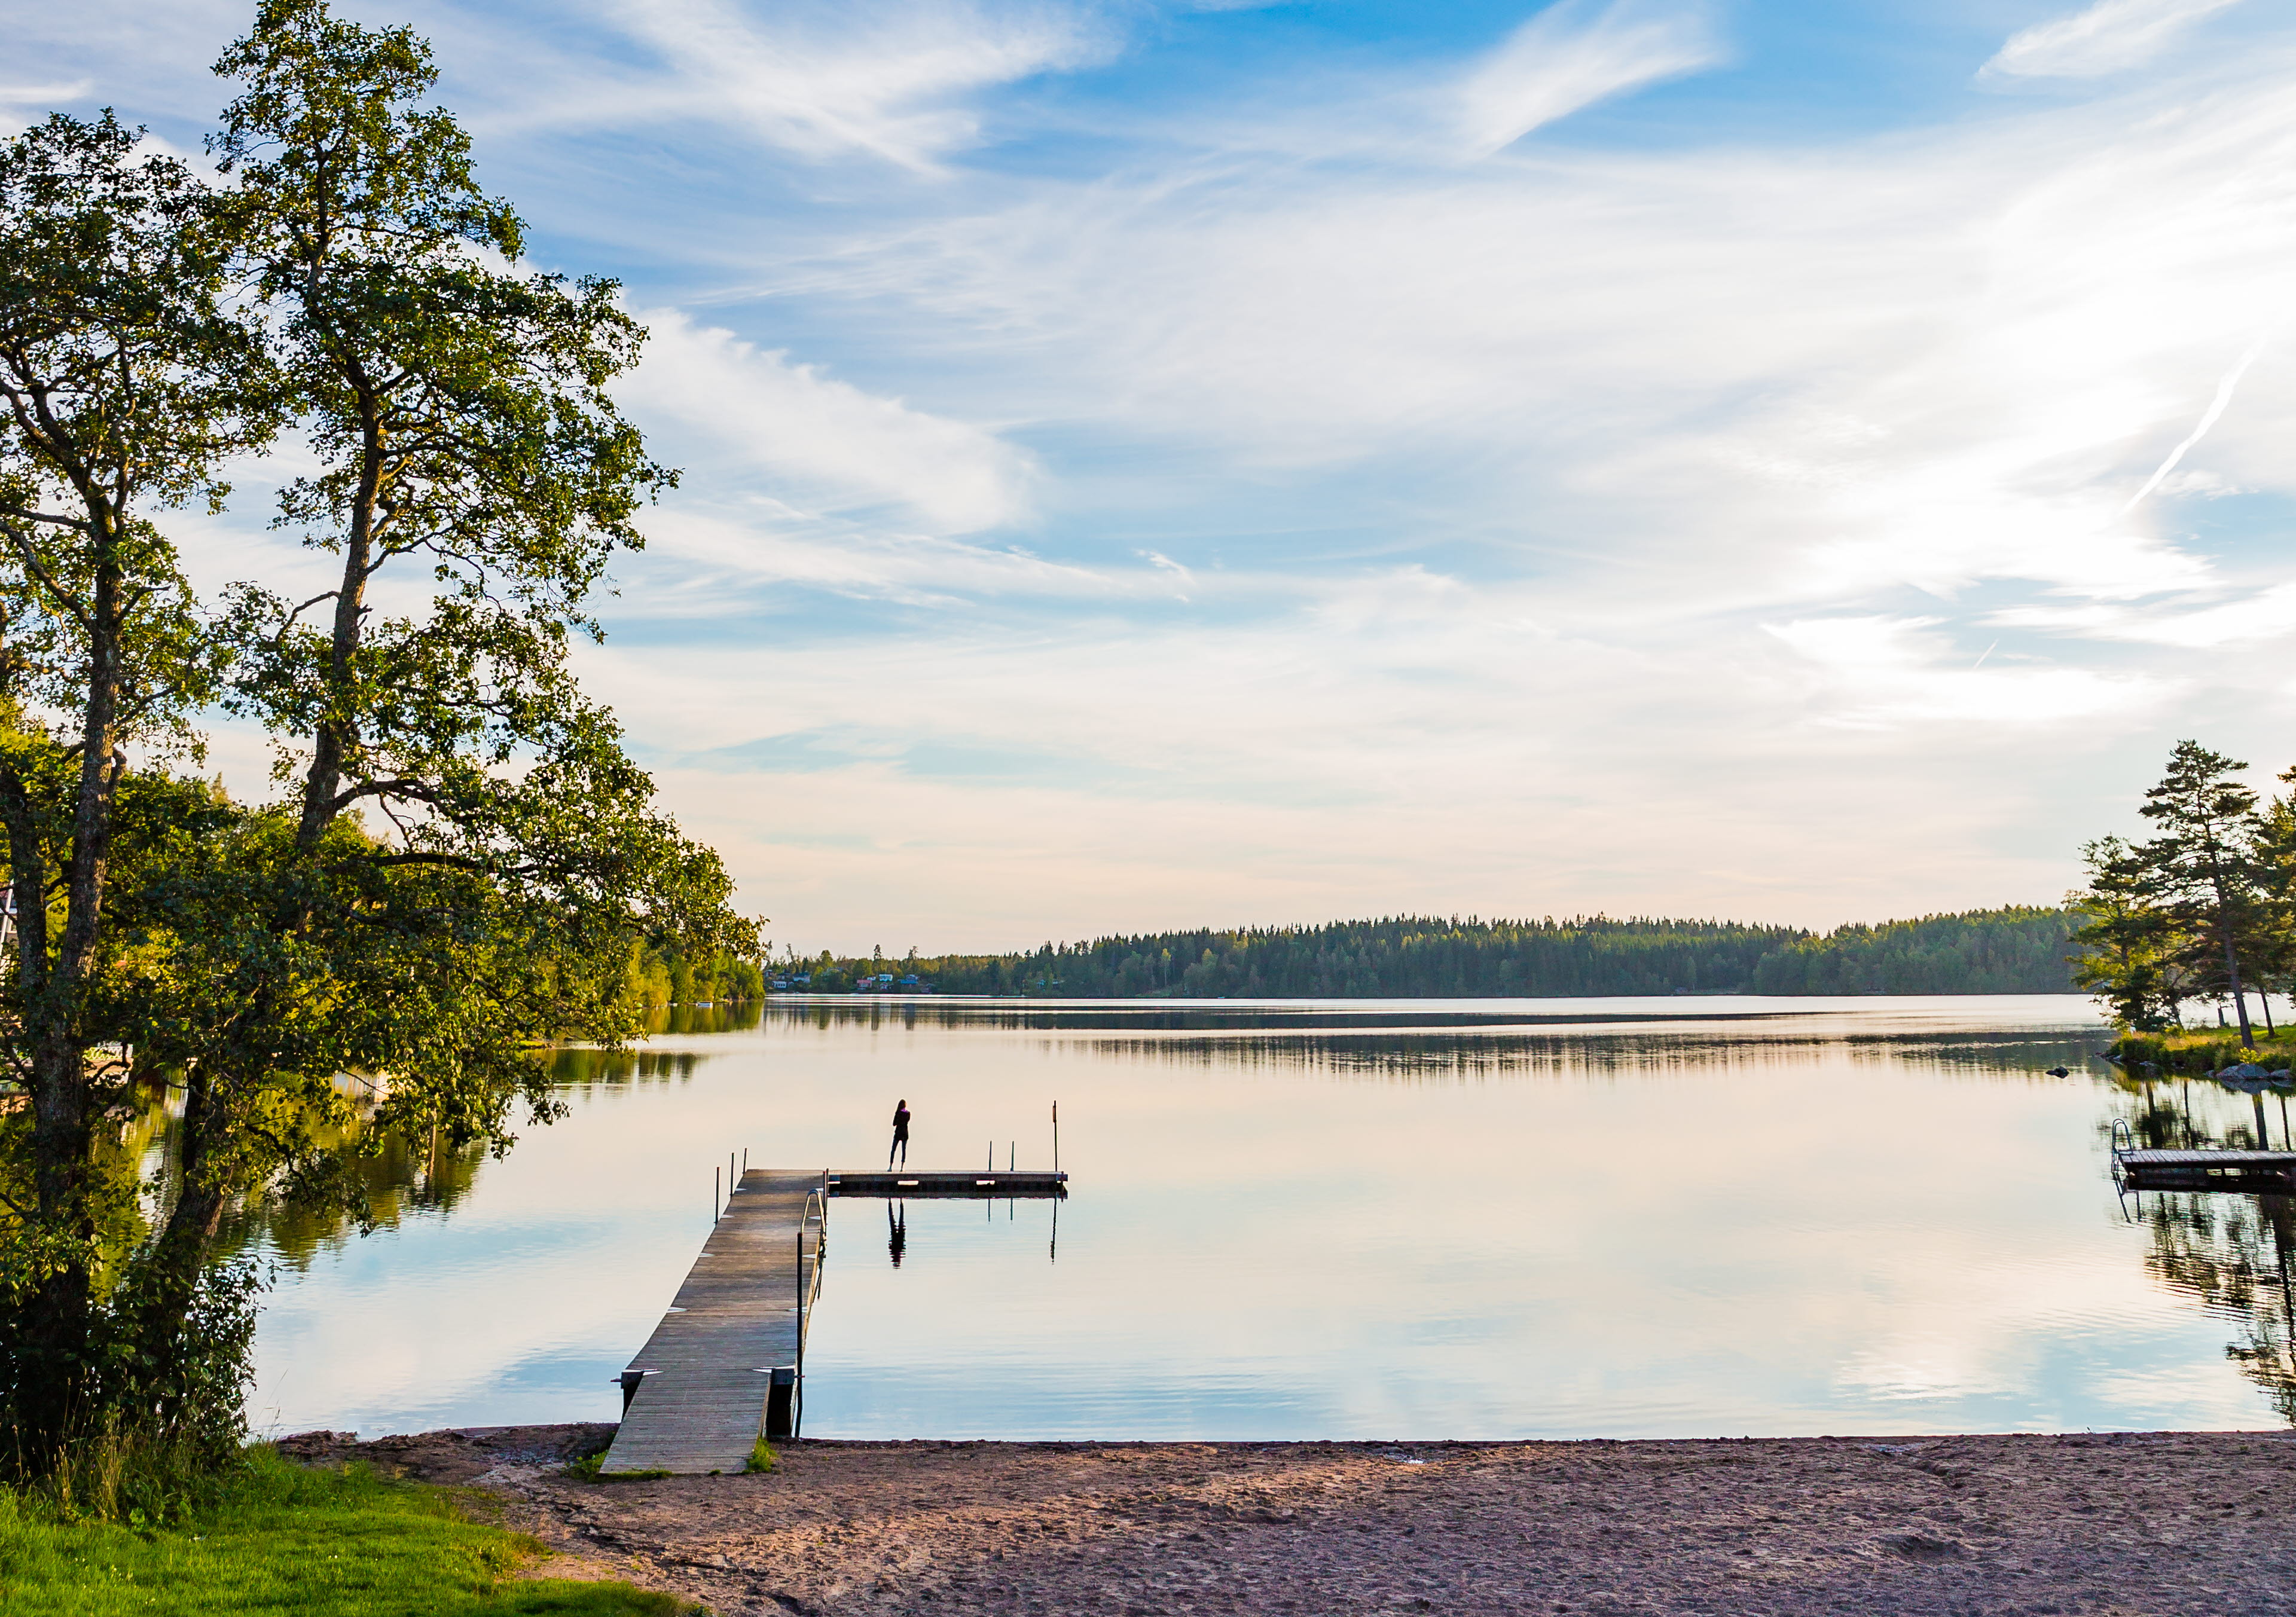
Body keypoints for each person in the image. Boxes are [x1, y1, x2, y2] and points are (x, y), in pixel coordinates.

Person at [889, 1098, 911, 1168]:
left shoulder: (898, 1113)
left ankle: (891, 1166)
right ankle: (902, 1167)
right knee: (903, 1150)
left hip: (898, 1133)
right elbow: (907, 1122)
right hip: (905, 1133)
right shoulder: (908, 1114)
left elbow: (894, 1124)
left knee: (893, 1149)